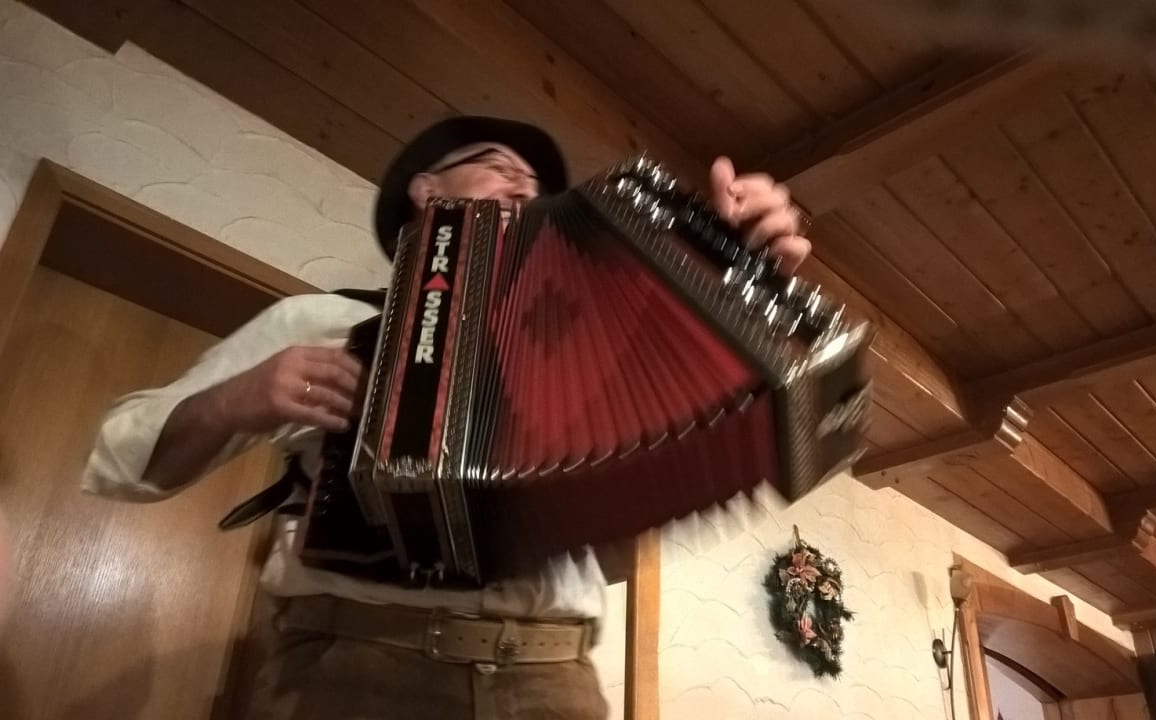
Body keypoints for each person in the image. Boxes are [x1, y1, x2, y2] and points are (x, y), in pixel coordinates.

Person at [81, 115, 813, 719]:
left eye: (537, 184)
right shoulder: (323, 322)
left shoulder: (585, 362)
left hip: (556, 683)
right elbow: (120, 455)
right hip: (357, 676)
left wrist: (722, 264)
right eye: (498, 164)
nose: (525, 184)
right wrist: (233, 398)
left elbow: (614, 552)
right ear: (425, 190)